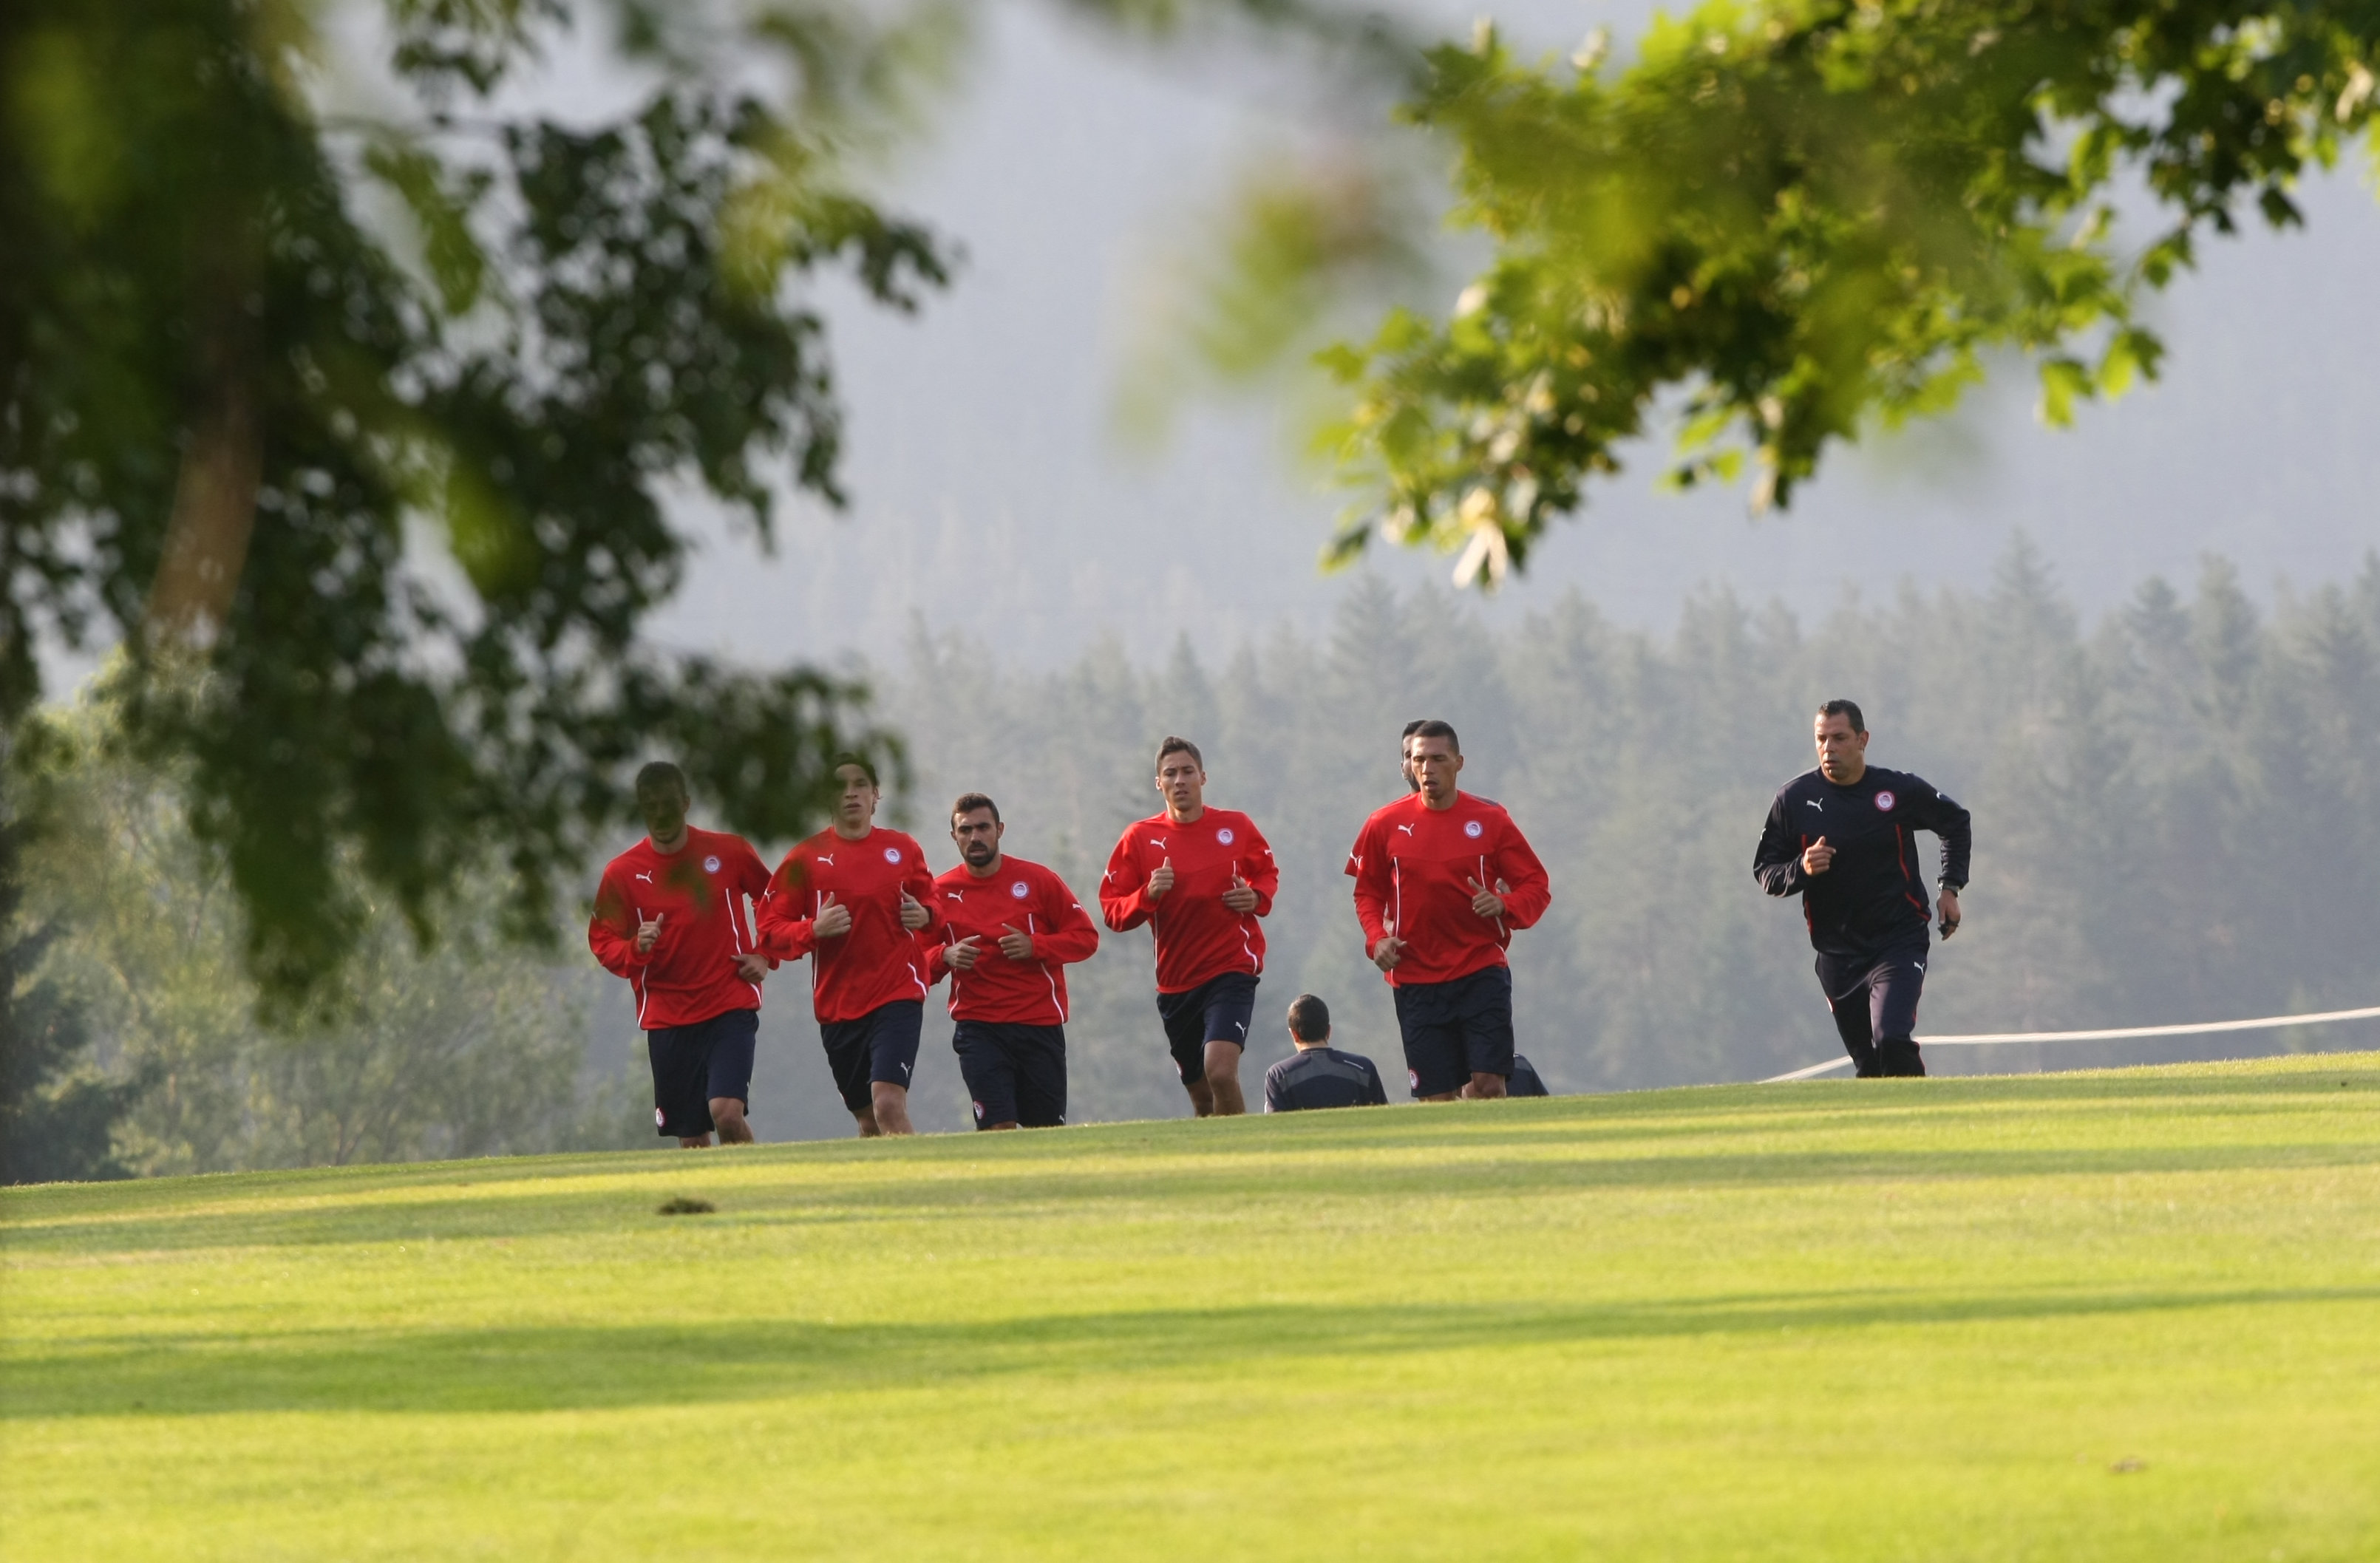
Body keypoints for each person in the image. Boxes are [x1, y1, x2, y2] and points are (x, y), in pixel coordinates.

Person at [1753, 699, 1971, 1078]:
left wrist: (1950, 887)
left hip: (1898, 941)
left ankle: (1926, 1125)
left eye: (1839, 738)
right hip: (1837, 954)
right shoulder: (1793, 800)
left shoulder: (1896, 790)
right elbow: (1766, 872)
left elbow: (1954, 822)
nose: (1828, 748)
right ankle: (1884, 1135)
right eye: (1821, 739)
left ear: (1862, 739)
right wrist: (1801, 868)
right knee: (1869, 1067)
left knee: (1891, 1039)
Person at [1347, 721, 1552, 1101]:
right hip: (1416, 979)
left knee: (1489, 1085)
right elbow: (1367, 893)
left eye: (1438, 759)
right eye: (1419, 759)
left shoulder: (1491, 820)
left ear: (1459, 763)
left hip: (1480, 970)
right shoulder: (1383, 824)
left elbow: (1536, 886)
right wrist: (1376, 939)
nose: (1427, 768)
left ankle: (1497, 1159)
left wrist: (1503, 904)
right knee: (1437, 1100)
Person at [588, 761, 775, 1148]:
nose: (660, 815)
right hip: (668, 1018)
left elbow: (775, 901)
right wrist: (636, 947)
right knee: (692, 1137)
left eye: (668, 804)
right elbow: (603, 941)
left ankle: (758, 1188)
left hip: (729, 1004)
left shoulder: (729, 852)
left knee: (726, 1112)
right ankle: (713, 1206)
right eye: (650, 805)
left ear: (687, 803)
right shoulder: (622, 874)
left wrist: (765, 954)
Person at [757, 755, 940, 1135]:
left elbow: (934, 902)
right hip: (839, 1006)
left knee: (888, 1103)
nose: (850, 794)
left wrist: (927, 915)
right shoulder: (805, 859)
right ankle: (880, 1191)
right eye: (840, 787)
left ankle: (920, 1185)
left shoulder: (903, 848)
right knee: (868, 1120)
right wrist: (813, 929)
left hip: (898, 993)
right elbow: (770, 929)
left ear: (876, 795)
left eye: (860, 785)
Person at [1101, 736, 1279, 1117]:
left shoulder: (1235, 826)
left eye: (1187, 771)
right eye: (1170, 773)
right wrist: (1147, 896)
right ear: (1158, 783)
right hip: (1176, 983)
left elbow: (1266, 873)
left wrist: (1257, 897)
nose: (1179, 780)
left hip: (1231, 970)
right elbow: (1113, 912)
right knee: (1201, 1099)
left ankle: (1247, 1159)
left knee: (1220, 1071)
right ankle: (1214, 1167)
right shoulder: (1139, 838)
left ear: (1203, 777)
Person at [926, 793, 1100, 1130]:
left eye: (982, 827)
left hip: (1038, 1025)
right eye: (965, 830)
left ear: (1000, 830)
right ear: (954, 836)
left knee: (1045, 1135)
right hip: (979, 1028)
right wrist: (944, 955)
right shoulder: (940, 893)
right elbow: (912, 962)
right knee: (998, 1129)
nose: (974, 837)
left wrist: (1035, 946)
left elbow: (1086, 939)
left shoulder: (1039, 880)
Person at [1262, 994, 1390, 1112]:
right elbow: (1384, 1119)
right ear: (1329, 1031)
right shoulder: (1363, 1068)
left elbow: (1276, 1127)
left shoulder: (1279, 1075)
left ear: (1294, 1034)